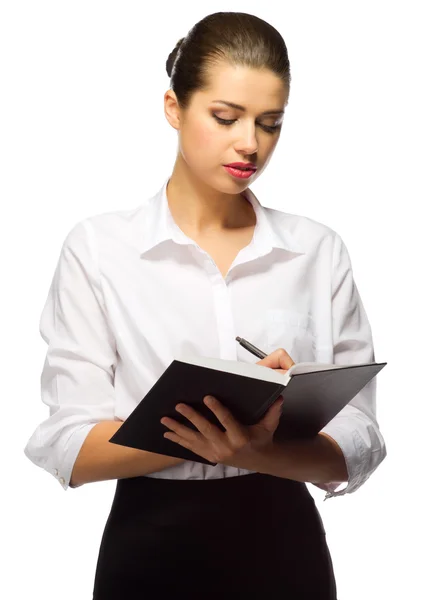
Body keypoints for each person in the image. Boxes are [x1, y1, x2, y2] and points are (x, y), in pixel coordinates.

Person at [23, 11, 387, 599]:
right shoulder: (100, 248)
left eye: (270, 122)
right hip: (150, 546)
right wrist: (207, 426)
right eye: (225, 117)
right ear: (173, 108)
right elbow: (68, 447)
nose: (250, 143)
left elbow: (359, 445)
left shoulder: (317, 251)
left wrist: (263, 449)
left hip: (283, 545)